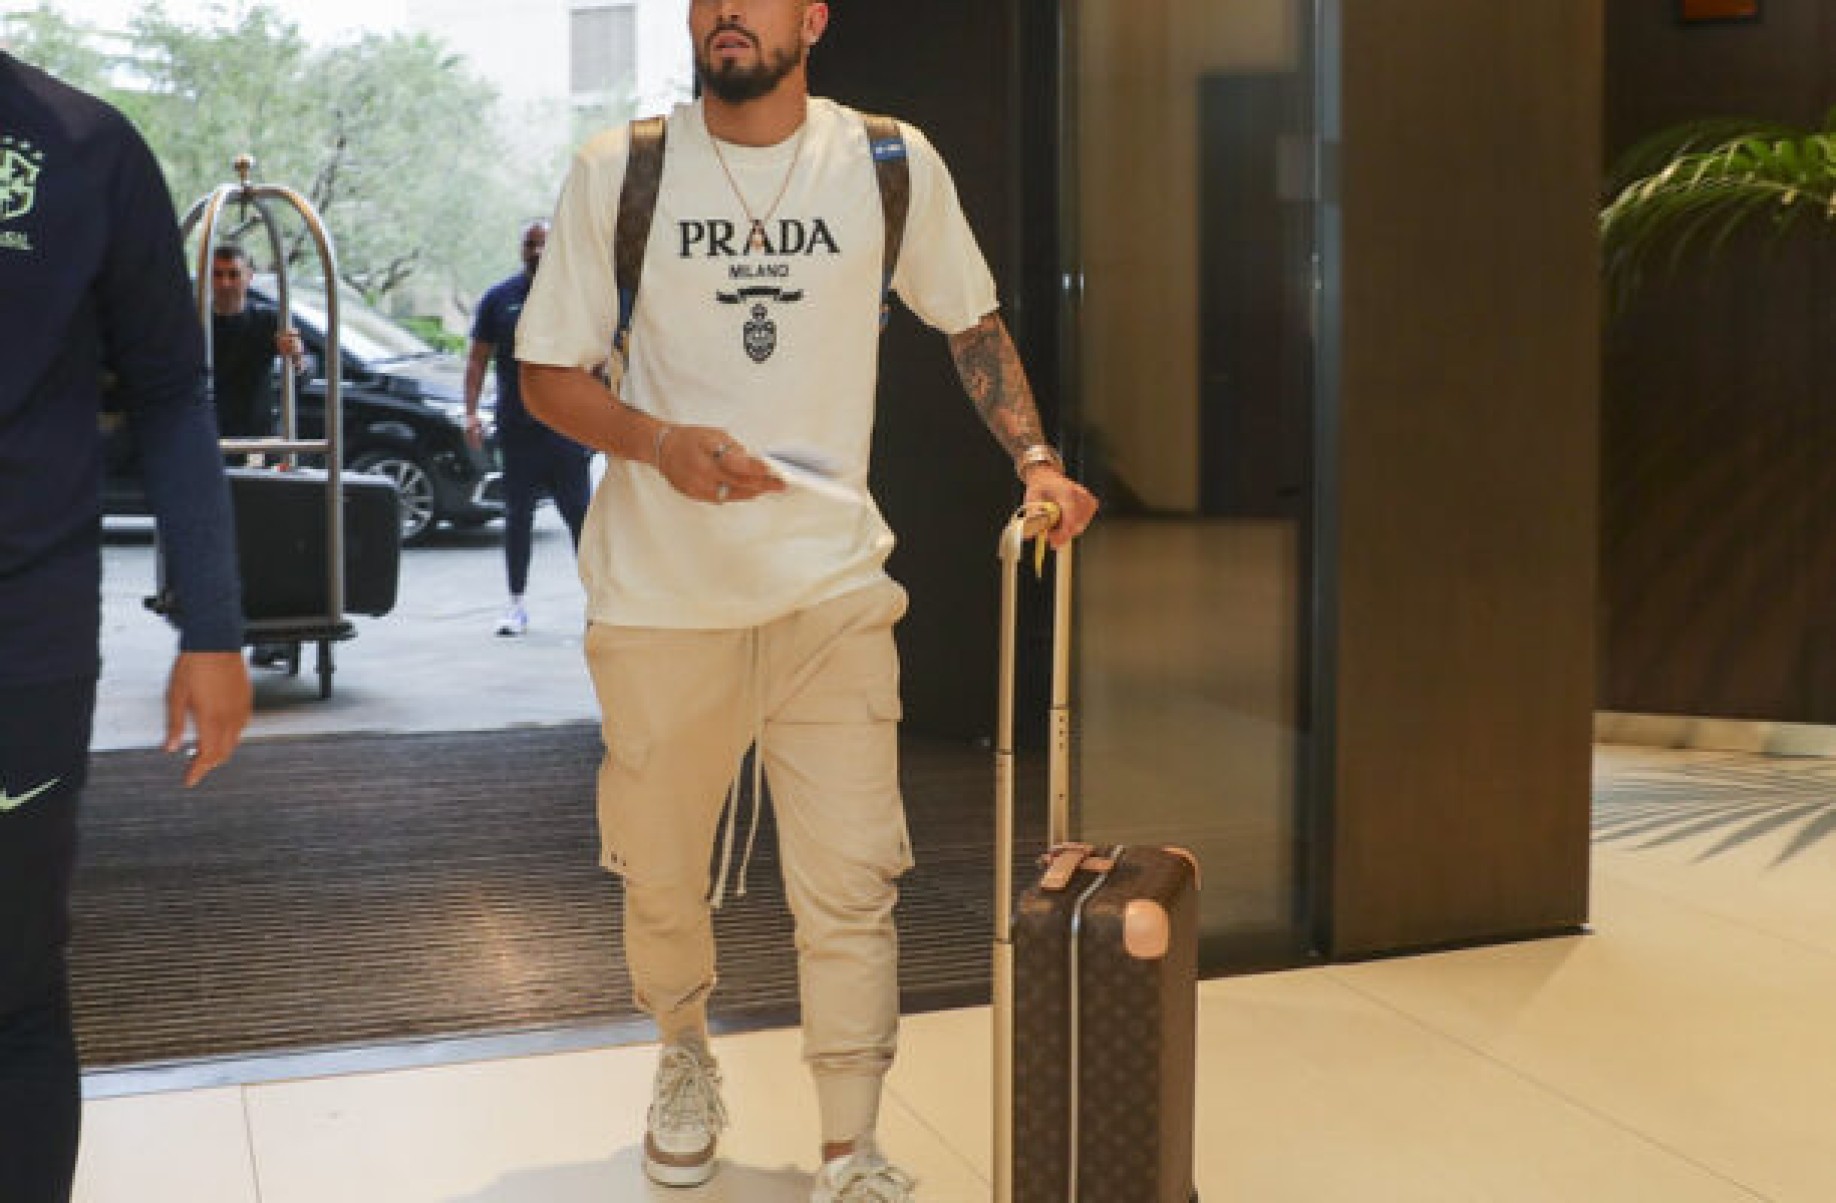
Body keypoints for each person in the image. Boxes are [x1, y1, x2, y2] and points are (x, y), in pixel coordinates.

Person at [517, 1, 1097, 1197]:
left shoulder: (886, 160)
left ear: (812, 18)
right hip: (659, 603)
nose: (728, 11)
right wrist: (658, 440)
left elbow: (970, 322)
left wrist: (1035, 458)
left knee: (849, 879)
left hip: (833, 592)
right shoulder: (620, 169)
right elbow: (544, 375)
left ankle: (850, 1143)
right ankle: (683, 1055)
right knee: (662, 873)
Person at [1, 51, 252, 1203]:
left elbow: (170, 386)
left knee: (12, 991)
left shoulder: (83, 145)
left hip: (23, 645)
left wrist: (212, 624)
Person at [464, 218, 592, 637]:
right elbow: (478, 359)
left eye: (545, 243)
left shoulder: (577, 295)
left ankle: (599, 606)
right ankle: (516, 605)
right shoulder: (499, 299)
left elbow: (601, 356)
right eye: (530, 244)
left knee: (581, 520)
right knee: (517, 518)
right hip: (517, 429)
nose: (538, 251)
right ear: (521, 249)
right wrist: (470, 412)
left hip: (567, 430)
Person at [207, 242, 304, 442]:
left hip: (257, 435)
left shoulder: (268, 320)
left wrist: (296, 355)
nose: (225, 283)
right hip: (206, 434)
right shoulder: (193, 321)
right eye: (217, 274)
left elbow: (305, 368)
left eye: (233, 274)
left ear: (249, 277)